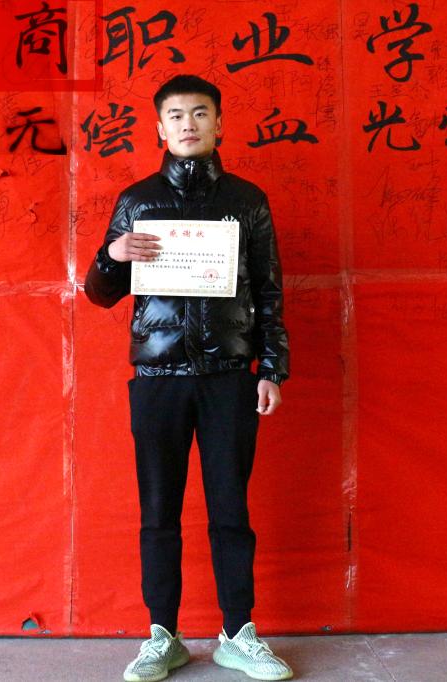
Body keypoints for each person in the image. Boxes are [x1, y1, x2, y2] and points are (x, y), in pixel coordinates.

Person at [84, 74, 292, 682]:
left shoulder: (247, 200)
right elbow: (100, 294)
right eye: (176, 115)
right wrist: (110, 257)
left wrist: (271, 368)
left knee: (231, 507)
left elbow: (270, 290)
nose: (188, 124)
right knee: (158, 509)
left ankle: (237, 633)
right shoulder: (138, 201)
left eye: (200, 113)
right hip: (158, 376)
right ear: (160, 128)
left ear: (219, 124)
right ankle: (162, 635)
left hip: (229, 375)